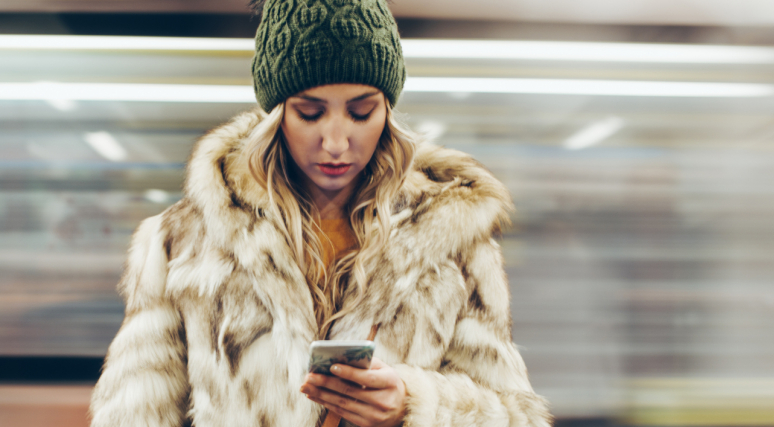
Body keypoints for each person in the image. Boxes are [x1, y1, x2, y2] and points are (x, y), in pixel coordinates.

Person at [89, 0, 552, 426]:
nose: (335, 143)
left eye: (361, 112)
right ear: (276, 115)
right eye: (310, 113)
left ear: (387, 112)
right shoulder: (186, 240)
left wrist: (415, 403)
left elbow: (516, 414)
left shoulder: (452, 236)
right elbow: (131, 414)